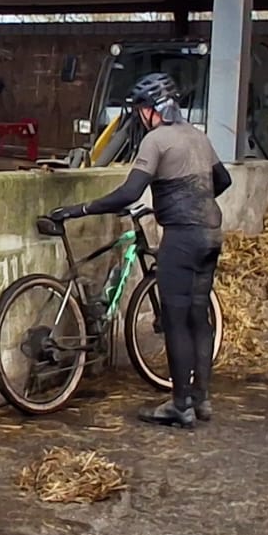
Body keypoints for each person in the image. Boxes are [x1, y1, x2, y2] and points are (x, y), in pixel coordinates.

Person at [44, 71, 229, 429]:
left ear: (152, 110)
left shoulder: (157, 141)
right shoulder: (198, 137)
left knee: (175, 321)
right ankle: (201, 400)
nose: (140, 116)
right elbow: (223, 180)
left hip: (181, 238)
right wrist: (196, 200)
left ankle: (179, 405)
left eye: (141, 109)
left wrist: (78, 209)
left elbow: (129, 194)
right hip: (211, 235)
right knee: (198, 318)